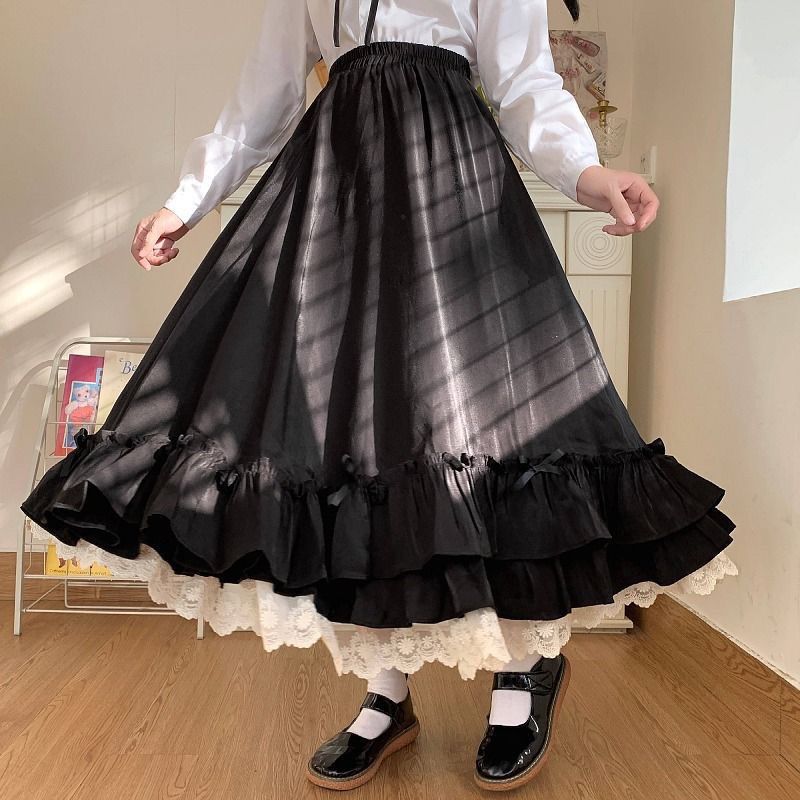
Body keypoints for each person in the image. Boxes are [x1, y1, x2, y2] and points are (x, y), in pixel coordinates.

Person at [20, 0, 739, 792]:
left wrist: (589, 174)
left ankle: (524, 668)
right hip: (341, 196)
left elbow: (526, 81)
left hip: (452, 189)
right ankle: (386, 691)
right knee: (355, 444)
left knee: (492, 426)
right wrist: (186, 201)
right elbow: (263, 96)